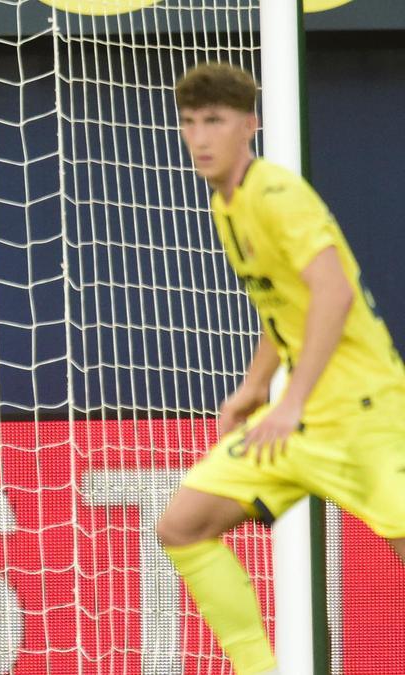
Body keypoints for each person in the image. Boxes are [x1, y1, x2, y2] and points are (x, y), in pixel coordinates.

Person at [158, 61, 405, 674]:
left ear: (249, 125)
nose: (200, 138)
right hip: (299, 421)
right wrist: (253, 387)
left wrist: (288, 402)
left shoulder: (277, 195)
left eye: (215, 121)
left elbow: (333, 294)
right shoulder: (227, 204)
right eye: (189, 123)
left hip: (365, 415)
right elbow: (282, 306)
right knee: (183, 524)